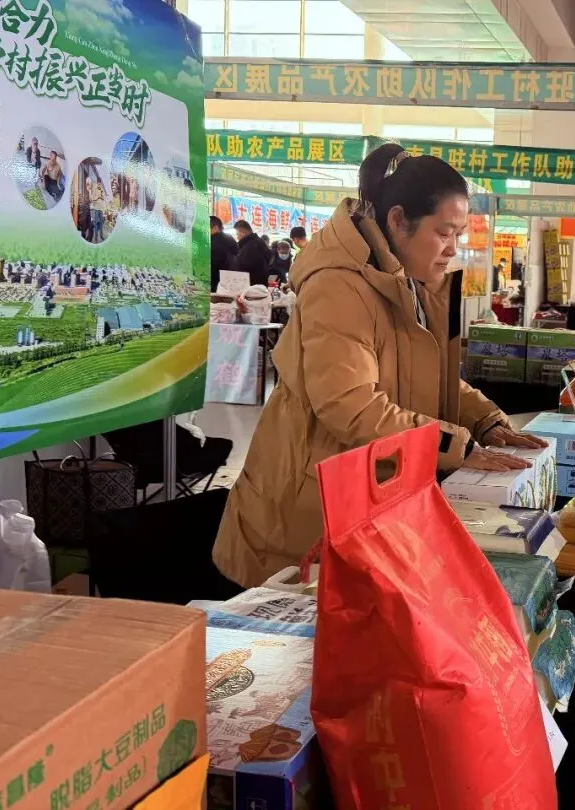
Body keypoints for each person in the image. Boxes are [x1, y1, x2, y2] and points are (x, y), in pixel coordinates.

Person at [213, 142, 546, 588]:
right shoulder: (339, 285)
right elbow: (349, 406)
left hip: (368, 496)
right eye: (443, 233)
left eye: (459, 235)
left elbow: (430, 378)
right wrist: (458, 446)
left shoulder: (406, 278)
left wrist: (484, 420)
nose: (452, 249)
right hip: (307, 512)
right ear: (397, 220)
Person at [232, 220, 272, 287]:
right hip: (260, 283)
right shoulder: (258, 241)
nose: (237, 237)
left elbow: (243, 265)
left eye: (237, 234)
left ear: (243, 232)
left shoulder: (251, 246)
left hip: (252, 284)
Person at [210, 215, 238, 292]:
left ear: (215, 228)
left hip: (216, 286)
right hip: (233, 284)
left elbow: (212, 267)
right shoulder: (231, 239)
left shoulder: (213, 243)